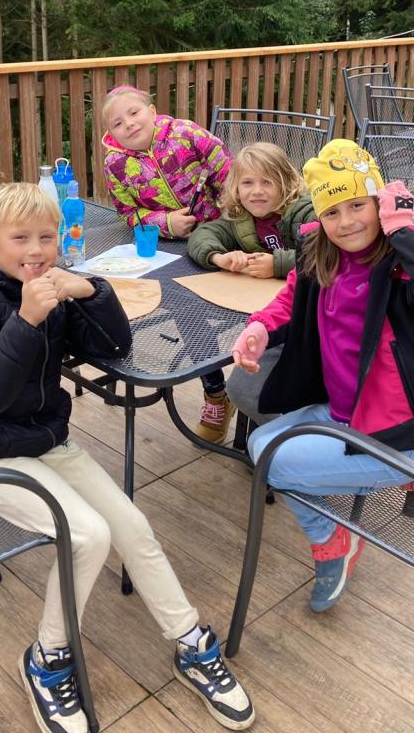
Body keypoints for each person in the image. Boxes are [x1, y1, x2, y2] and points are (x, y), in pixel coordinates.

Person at [0, 183, 255, 733]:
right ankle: (47, 660)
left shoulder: (49, 283)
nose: (36, 251)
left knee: (131, 525)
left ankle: (190, 642)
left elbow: (113, 348)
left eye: (47, 238)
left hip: (45, 441)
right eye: (20, 239)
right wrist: (26, 321)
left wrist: (91, 291)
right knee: (86, 535)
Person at [231, 139, 414, 613]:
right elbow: (292, 297)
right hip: (346, 410)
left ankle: (334, 534)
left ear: (380, 203)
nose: (346, 222)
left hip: (398, 427)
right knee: (260, 445)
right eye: (332, 211)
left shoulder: (399, 262)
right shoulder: (321, 251)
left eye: (358, 205)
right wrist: (260, 326)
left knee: (275, 462)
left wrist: (405, 228)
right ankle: (337, 532)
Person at [102, 84, 235, 440]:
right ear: (110, 132)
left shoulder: (187, 135)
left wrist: (230, 220)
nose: (129, 124)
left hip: (223, 232)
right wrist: (165, 222)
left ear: (152, 110)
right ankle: (216, 392)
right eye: (117, 123)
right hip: (169, 247)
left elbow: (231, 176)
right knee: (181, 303)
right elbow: (127, 213)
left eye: (134, 113)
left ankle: (256, 384)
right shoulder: (115, 164)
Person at [187, 143, 315, 438]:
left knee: (255, 384)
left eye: (267, 182)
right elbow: (203, 234)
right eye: (247, 183)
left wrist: (278, 264)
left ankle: (300, 438)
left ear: (286, 182)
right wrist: (218, 256)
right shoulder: (240, 218)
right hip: (264, 313)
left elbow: (325, 250)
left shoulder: (304, 212)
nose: (257, 191)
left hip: (305, 318)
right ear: (236, 188)